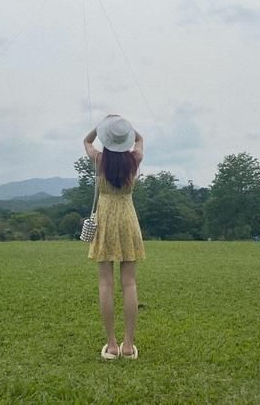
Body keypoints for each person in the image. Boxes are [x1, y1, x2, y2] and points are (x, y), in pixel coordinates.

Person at [83, 114, 145, 360]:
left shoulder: (98, 159)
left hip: (105, 217)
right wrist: (124, 126)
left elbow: (87, 140)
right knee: (129, 283)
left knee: (105, 283)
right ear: (125, 139)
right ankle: (128, 346)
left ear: (107, 139)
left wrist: (103, 125)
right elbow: (140, 138)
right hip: (128, 217)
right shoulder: (135, 159)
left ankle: (111, 345)